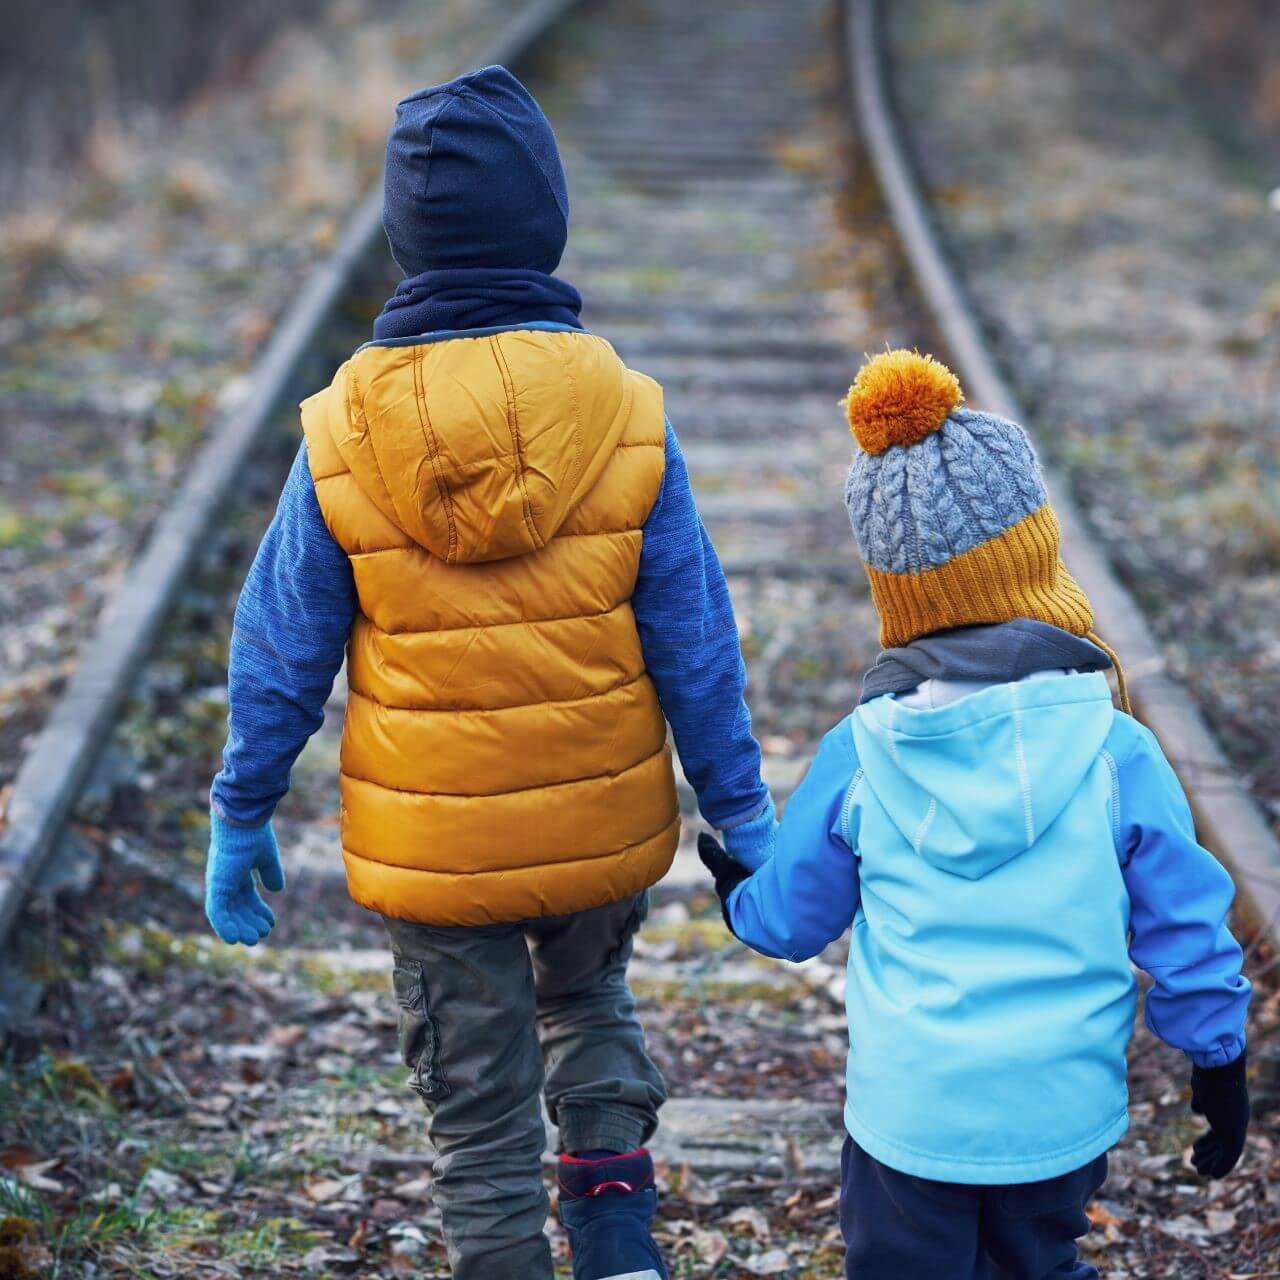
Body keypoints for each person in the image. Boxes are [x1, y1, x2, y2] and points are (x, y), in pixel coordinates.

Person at [203, 65, 776, 1280]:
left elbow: (280, 642)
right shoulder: (621, 409)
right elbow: (693, 632)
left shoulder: (342, 426)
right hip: (594, 817)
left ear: (404, 241)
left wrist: (242, 807)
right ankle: (618, 1242)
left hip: (435, 851)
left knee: (474, 1105)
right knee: (587, 1005)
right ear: (547, 219)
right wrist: (739, 807)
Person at [699, 349, 1252, 1280]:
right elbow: (1186, 925)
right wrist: (1217, 1054)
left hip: (911, 1114)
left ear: (897, 593)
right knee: (1039, 1261)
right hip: (1059, 1110)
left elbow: (793, 922)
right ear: (1036, 553)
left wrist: (740, 897)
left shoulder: (862, 752)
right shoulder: (1119, 752)